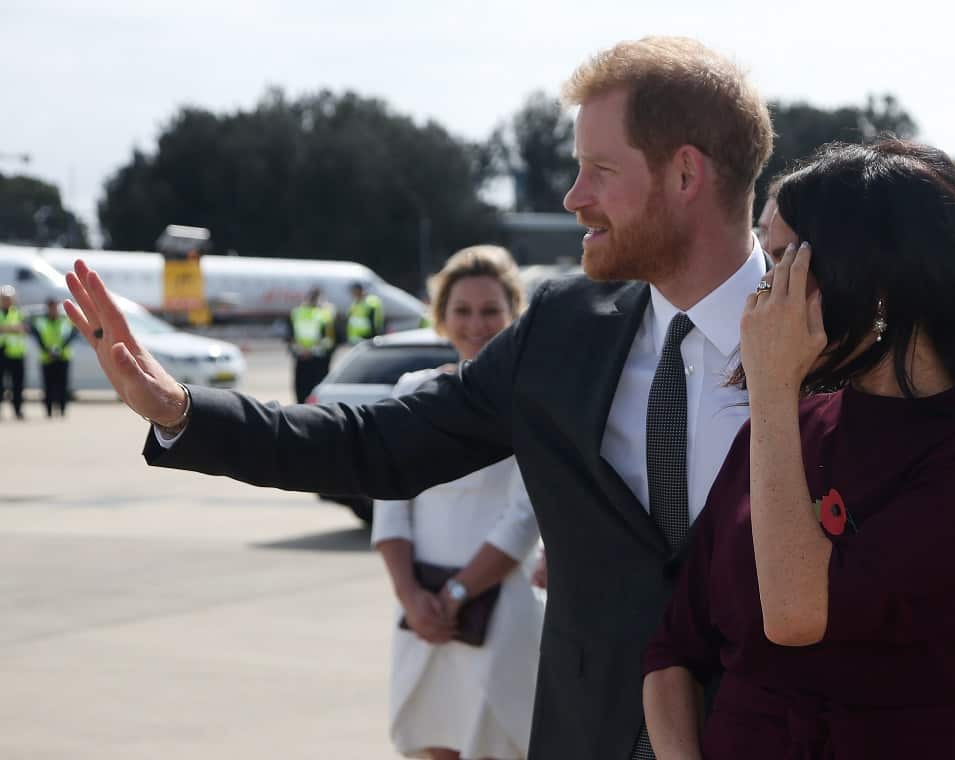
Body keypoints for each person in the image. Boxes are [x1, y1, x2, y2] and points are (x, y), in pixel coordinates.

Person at [63, 36, 774, 759]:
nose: (573, 197)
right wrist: (182, 410)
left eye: (599, 170)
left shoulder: (836, 344)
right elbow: (376, 444)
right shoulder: (562, 333)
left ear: (686, 173)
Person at [641, 140, 955, 759]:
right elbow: (674, 649)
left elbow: (795, 615)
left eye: (787, 259)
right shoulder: (784, 426)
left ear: (872, 275)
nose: (765, 289)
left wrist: (770, 388)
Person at [372, 245, 543, 760]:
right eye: (462, 310)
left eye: (490, 310)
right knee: (429, 744)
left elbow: (523, 516)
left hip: (497, 613)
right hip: (421, 615)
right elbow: (391, 500)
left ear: (514, 314)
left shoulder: (534, 400)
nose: (476, 323)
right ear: (441, 315)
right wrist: (410, 596)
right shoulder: (412, 390)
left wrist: (457, 594)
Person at [286, 286, 334, 402]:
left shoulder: (298, 312)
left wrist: (303, 351)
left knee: (307, 390)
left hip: (310, 357)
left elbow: (328, 340)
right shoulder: (324, 313)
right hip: (310, 357)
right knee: (305, 390)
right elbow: (290, 336)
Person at [30, 297, 76, 418]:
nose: (53, 310)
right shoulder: (40, 321)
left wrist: (60, 349)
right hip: (46, 357)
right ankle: (49, 411)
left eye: (55, 307)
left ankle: (62, 410)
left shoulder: (65, 320)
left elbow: (72, 335)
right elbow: (37, 336)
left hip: (63, 357)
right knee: (48, 385)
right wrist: (47, 350)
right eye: (51, 307)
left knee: (63, 385)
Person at [0, 284, 27, 420]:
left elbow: (23, 329)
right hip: (1, 353)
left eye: (9, 298)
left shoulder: (18, 313)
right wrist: (12, 328)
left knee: (17, 385)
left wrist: (5, 328)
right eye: (4, 298)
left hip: (16, 354)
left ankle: (18, 410)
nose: (6, 301)